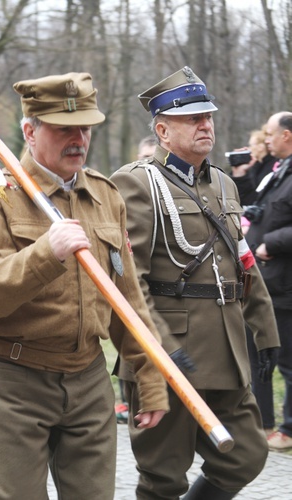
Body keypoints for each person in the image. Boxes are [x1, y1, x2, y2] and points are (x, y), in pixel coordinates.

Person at [0, 72, 168, 499]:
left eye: (85, 128)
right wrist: (45, 253)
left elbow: (127, 299)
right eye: (63, 129)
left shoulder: (106, 196)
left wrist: (149, 379)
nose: (78, 139)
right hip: (12, 380)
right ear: (29, 131)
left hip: (88, 377)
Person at [110, 67, 280, 499]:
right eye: (193, 119)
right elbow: (131, 281)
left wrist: (266, 333)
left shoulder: (222, 183)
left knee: (246, 455)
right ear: (163, 130)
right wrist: (162, 349)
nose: (206, 125)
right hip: (169, 353)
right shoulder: (136, 182)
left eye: (208, 117)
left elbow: (243, 263)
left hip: (224, 350)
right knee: (163, 475)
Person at [245, 111, 292, 451]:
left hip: (285, 284)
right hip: (264, 282)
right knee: (255, 349)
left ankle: (289, 430)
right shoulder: (278, 172)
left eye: (271, 134)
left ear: (287, 135)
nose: (266, 139)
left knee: (288, 359)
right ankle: (261, 424)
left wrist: (270, 243)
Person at [232, 128, 277, 206]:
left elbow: (255, 198)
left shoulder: (273, 168)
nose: (249, 148)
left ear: (260, 147)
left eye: (251, 145)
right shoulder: (256, 166)